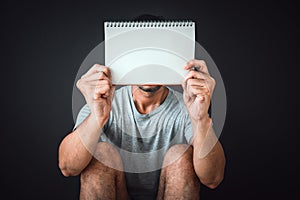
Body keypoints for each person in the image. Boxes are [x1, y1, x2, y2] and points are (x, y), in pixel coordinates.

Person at [58, 58, 225, 200]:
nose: (149, 68)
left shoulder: (189, 106)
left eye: (156, 60)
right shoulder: (102, 102)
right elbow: (67, 167)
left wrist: (201, 119)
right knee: (100, 153)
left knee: (181, 156)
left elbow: (213, 178)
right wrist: (97, 116)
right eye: (142, 59)